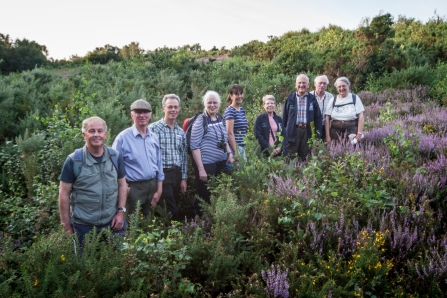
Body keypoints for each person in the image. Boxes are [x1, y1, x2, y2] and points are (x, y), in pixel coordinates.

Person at [58, 116, 127, 245]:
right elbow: (64, 194)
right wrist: (66, 226)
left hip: (112, 223)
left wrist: (120, 212)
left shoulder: (115, 157)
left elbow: (122, 185)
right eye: (92, 131)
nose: (96, 135)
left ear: (106, 134)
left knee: (117, 262)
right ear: (84, 134)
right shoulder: (74, 160)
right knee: (85, 263)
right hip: (83, 226)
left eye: (100, 131)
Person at [112, 99, 164, 219]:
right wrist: (125, 187)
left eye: (145, 112)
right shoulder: (123, 138)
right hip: (133, 188)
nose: (142, 115)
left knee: (147, 221)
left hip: (152, 186)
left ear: (150, 115)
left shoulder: (153, 138)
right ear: (132, 114)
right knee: (129, 223)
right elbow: (114, 166)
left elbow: (159, 165)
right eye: (138, 112)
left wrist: (159, 190)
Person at [190, 91, 234, 216]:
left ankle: (215, 218)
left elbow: (224, 139)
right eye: (209, 102)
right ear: (205, 104)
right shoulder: (201, 120)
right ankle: (199, 220)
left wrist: (230, 154)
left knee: (219, 193)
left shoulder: (220, 118)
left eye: (215, 102)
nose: (212, 105)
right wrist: (201, 169)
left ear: (219, 104)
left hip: (221, 162)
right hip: (207, 164)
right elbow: (194, 146)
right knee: (204, 193)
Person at [149, 94, 187, 221]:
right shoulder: (153, 129)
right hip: (162, 175)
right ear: (163, 108)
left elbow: (183, 156)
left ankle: (168, 235)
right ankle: (173, 236)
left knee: (171, 207)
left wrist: (184, 178)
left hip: (176, 174)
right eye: (170, 107)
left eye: (176, 107)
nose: (173, 110)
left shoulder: (180, 132)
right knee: (171, 210)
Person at [282, 74, 323, 160]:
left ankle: (304, 174)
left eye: (304, 83)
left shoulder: (312, 99)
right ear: (295, 85)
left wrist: (318, 136)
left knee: (306, 158)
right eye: (299, 83)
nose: (301, 85)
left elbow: (318, 118)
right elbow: (284, 118)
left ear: (308, 85)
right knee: (290, 158)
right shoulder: (290, 98)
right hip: (293, 132)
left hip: (307, 132)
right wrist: (284, 134)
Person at [325, 77, 365, 144]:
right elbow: (327, 118)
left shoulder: (354, 98)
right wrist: (327, 136)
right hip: (335, 134)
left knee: (353, 153)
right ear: (337, 88)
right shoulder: (333, 100)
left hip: (352, 133)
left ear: (348, 86)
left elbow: (361, 117)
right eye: (339, 87)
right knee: (336, 153)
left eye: (343, 86)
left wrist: (359, 134)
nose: (341, 88)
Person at [224, 84, 248, 160]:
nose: (240, 96)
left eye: (241, 93)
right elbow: (229, 132)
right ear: (231, 96)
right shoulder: (230, 111)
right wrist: (235, 151)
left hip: (242, 146)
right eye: (237, 94)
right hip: (235, 147)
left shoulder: (242, 110)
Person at [310, 75, 334, 140]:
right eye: (320, 83)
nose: (322, 85)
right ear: (315, 84)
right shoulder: (309, 96)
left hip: (325, 127)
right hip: (312, 127)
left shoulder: (330, 97)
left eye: (324, 83)